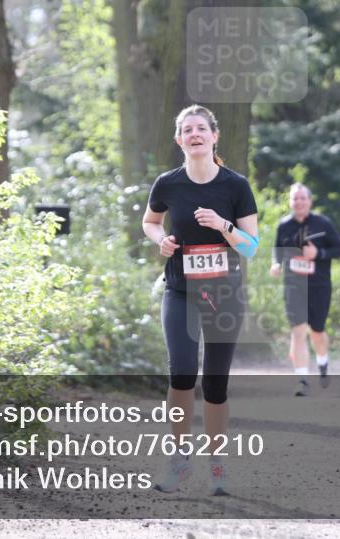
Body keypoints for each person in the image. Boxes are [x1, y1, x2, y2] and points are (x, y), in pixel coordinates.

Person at [142, 104, 259, 496]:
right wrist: (162, 241)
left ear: (213, 136)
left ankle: (218, 466)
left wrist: (223, 226)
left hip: (224, 294)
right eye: (187, 130)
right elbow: (150, 221)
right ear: (179, 140)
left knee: (215, 383)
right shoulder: (167, 184)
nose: (194, 134)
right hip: (180, 290)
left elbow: (253, 246)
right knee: (181, 373)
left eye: (200, 129)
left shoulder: (235, 186)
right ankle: (178, 460)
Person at [270, 183, 340, 396]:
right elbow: (277, 251)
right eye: (295, 199)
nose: (299, 202)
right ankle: (302, 379)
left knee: (318, 332)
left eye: (302, 198)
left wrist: (319, 254)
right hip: (293, 286)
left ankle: (323, 362)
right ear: (290, 202)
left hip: (319, 286)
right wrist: (276, 264)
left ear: (310, 201)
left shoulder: (323, 224)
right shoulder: (284, 225)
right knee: (298, 331)